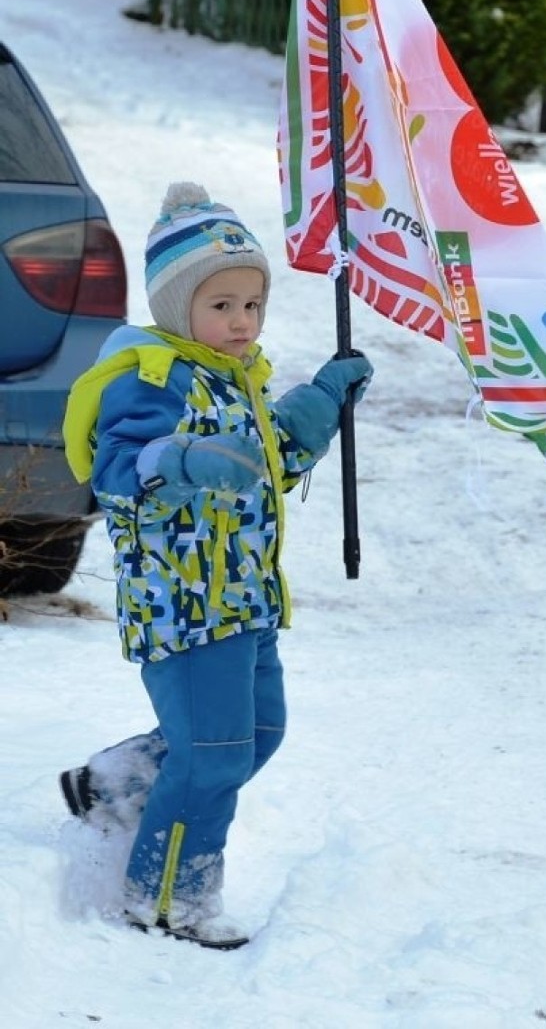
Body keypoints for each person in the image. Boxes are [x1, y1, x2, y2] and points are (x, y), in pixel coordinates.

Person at [60, 182, 372, 951]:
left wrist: (317, 406)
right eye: (221, 305)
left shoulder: (238, 377)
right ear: (177, 308)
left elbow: (264, 460)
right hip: (185, 604)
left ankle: (114, 784)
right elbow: (120, 468)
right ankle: (168, 901)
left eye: (252, 305)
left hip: (245, 598)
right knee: (213, 756)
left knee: (258, 735)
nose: (240, 322)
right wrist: (183, 458)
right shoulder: (153, 376)